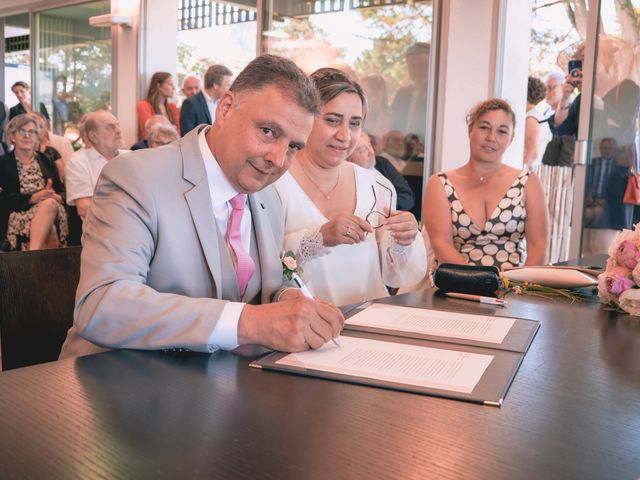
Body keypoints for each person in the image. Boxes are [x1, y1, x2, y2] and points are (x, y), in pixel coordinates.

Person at [58, 54, 343, 359]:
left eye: (293, 147)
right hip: (112, 384)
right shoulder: (136, 176)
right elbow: (101, 305)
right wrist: (248, 322)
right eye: (268, 132)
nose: (277, 158)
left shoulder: (268, 197)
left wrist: (288, 298)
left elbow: (259, 285)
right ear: (226, 108)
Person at [273, 68, 426, 306]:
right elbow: (258, 266)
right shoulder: (273, 183)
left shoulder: (378, 186)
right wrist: (319, 237)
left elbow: (394, 275)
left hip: (369, 325)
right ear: (307, 117)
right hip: (300, 326)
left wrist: (404, 239)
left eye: (354, 124)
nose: (345, 135)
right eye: (333, 120)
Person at [424, 98, 548, 270]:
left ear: (511, 139)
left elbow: (539, 244)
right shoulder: (439, 183)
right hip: (457, 285)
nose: (491, 138)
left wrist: (523, 287)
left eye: (502, 131)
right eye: (484, 127)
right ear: (470, 130)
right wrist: (479, 282)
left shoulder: (528, 182)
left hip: (514, 287)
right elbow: (441, 244)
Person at [0, 114, 68, 251]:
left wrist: (57, 196)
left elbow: (62, 191)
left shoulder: (46, 160)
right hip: (19, 213)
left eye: (31, 132)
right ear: (12, 136)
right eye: (21, 131)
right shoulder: (3, 163)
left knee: (49, 204)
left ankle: (31, 253)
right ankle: (38, 260)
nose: (27, 136)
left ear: (37, 137)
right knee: (50, 230)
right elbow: (3, 198)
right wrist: (32, 198)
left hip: (52, 208)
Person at [65, 111, 126, 219]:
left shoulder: (130, 157)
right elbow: (84, 207)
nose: (118, 131)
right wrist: (123, 217)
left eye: (118, 126)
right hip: (103, 228)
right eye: (110, 127)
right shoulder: (78, 162)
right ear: (93, 137)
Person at [583, 137, 633, 255]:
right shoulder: (592, 163)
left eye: (609, 148)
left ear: (614, 150)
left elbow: (615, 190)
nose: (606, 150)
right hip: (590, 202)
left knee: (600, 245)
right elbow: (586, 181)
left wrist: (606, 200)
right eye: (604, 147)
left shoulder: (619, 167)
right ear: (600, 148)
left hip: (608, 207)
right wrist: (588, 195)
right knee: (587, 243)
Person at [348, 131, 415, 212]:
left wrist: (383, 208)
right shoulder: (347, 177)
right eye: (362, 150)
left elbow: (407, 196)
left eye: (370, 146)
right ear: (348, 158)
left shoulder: (382, 163)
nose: (372, 153)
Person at [180, 64, 233, 136]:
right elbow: (187, 136)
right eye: (228, 84)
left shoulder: (223, 104)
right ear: (216, 85)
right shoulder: (190, 104)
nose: (229, 89)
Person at [390, 42, 430, 136]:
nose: (417, 70)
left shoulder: (437, 96)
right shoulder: (401, 94)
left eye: (422, 65)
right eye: (412, 66)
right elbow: (393, 127)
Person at [136, 72, 180, 140]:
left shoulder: (172, 107)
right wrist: (172, 129)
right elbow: (149, 133)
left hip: (173, 146)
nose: (173, 87)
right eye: (170, 84)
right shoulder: (144, 106)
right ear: (159, 86)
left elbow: (179, 133)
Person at [524, 76, 552, 167]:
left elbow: (532, 154)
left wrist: (519, 180)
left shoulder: (532, 118)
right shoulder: (533, 115)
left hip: (526, 173)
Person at [360, 74, 391, 140]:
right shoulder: (357, 111)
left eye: (365, 90)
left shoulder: (386, 117)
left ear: (375, 94)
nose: (359, 93)